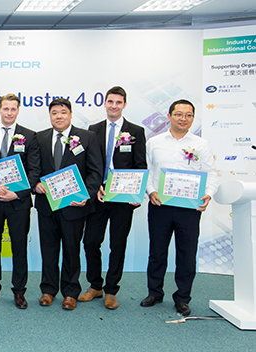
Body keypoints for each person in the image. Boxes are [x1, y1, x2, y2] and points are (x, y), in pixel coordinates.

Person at [141, 99, 217, 317]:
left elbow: (211, 173)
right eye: (179, 114)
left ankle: (183, 298)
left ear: (193, 118)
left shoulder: (201, 144)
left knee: (186, 253)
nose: (183, 119)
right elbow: (147, 170)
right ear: (169, 116)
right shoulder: (154, 142)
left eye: (188, 115)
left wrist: (208, 194)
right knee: (157, 252)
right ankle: (154, 292)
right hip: (160, 205)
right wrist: (151, 191)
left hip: (189, 208)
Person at [80, 86, 147, 309]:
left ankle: (111, 290)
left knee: (118, 244)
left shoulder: (135, 131)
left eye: (118, 102)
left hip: (123, 199)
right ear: (105, 103)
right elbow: (89, 165)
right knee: (90, 241)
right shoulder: (93, 130)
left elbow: (140, 165)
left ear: (124, 104)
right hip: (98, 196)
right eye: (110, 102)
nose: (114, 106)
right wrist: (95, 187)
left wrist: (137, 194)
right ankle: (95, 285)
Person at [34, 98, 102, 310]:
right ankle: (48, 289)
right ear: (50, 116)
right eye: (54, 113)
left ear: (70, 114)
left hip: (74, 205)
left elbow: (95, 171)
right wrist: (35, 184)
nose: (59, 116)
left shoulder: (87, 137)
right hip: (47, 204)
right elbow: (34, 167)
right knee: (49, 249)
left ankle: (71, 292)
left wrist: (88, 195)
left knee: (72, 250)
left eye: (63, 112)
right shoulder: (40, 137)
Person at [0, 93, 41, 309]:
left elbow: (34, 171)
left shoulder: (30, 136)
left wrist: (19, 193)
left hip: (18, 203)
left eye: (13, 109)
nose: (9, 113)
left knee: (19, 247)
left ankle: (19, 291)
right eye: (6, 109)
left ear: (18, 110)